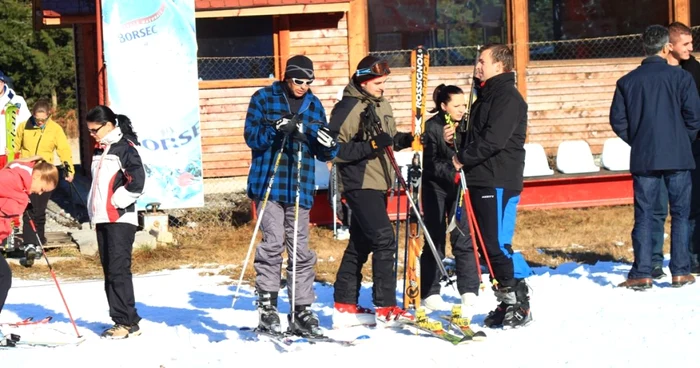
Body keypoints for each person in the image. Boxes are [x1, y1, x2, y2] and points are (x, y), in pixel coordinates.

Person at [244, 55, 338, 336]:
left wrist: (330, 145)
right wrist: (274, 129)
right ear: (287, 77)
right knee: (273, 243)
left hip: (300, 183)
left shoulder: (314, 104)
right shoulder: (264, 97)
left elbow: (324, 149)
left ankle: (301, 309)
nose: (304, 86)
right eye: (299, 81)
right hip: (269, 183)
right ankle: (268, 308)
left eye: (309, 82)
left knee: (300, 248)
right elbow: (251, 136)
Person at [445, 44, 534, 329]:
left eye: (482, 61)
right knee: (487, 246)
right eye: (477, 61)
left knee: (495, 245)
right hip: (482, 177)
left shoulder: (507, 97)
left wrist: (461, 158)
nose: (478, 66)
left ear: (500, 65)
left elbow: (494, 140)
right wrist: (455, 137)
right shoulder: (484, 96)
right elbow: (476, 135)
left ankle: (518, 299)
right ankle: (506, 299)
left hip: (497, 179)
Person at [610, 25, 700, 290]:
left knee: (646, 215)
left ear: (643, 48)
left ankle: (643, 272)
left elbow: (618, 120)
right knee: (681, 215)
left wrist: (638, 141)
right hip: (679, 156)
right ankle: (681, 271)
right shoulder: (681, 79)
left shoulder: (627, 81)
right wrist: (683, 141)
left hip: (645, 157)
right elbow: (694, 117)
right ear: (665, 47)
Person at [329, 55, 414, 328]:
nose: (382, 87)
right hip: (359, 183)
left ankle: (344, 305)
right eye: (378, 82)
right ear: (364, 81)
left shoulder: (380, 104)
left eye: (384, 82)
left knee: (361, 243)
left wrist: (404, 140)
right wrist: (371, 146)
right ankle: (385, 305)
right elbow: (333, 149)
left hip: (379, 183)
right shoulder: (349, 107)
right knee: (384, 239)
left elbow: (385, 140)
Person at [420, 84, 481, 320]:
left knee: (463, 235)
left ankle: (469, 287)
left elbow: (470, 150)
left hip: (459, 187)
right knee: (434, 238)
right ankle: (430, 289)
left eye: (464, 105)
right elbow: (432, 163)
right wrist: (449, 156)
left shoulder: (466, 125)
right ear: (444, 106)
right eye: (456, 106)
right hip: (436, 187)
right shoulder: (432, 127)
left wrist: (458, 140)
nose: (462, 110)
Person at [85, 105, 146, 338]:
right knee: (109, 270)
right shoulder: (100, 150)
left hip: (120, 218)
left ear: (108, 125)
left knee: (119, 270)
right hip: (102, 218)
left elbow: (137, 181)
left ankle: (128, 323)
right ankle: (119, 318)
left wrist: (116, 202)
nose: (92, 134)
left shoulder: (125, 148)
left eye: (94, 130)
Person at [15, 99, 75, 263]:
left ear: (49, 115)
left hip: (46, 174)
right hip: (28, 173)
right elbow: (15, 147)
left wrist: (69, 169)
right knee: (29, 210)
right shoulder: (23, 127)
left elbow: (63, 149)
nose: (39, 122)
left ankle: (39, 242)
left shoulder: (55, 130)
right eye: (36, 119)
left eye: (43, 119)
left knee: (39, 211)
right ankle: (29, 244)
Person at [0, 157, 58, 317]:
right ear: (37, 176)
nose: (39, 193)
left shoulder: (21, 185)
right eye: (42, 189)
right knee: (3, 277)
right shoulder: (12, 179)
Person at [0, 70, 31, 168]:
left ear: (4, 82)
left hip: (12, 153)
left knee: (11, 182)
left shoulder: (17, 101)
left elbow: (27, 125)